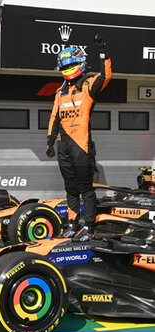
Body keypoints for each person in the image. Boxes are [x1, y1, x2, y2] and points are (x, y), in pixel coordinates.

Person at [46, 33, 112, 241]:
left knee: (85, 188)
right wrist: (49, 141)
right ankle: (73, 224)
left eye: (71, 65)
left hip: (81, 145)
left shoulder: (88, 85)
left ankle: (89, 226)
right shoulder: (60, 92)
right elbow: (54, 117)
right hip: (63, 146)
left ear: (80, 63)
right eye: (64, 66)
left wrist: (103, 51)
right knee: (70, 188)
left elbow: (106, 76)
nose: (68, 69)